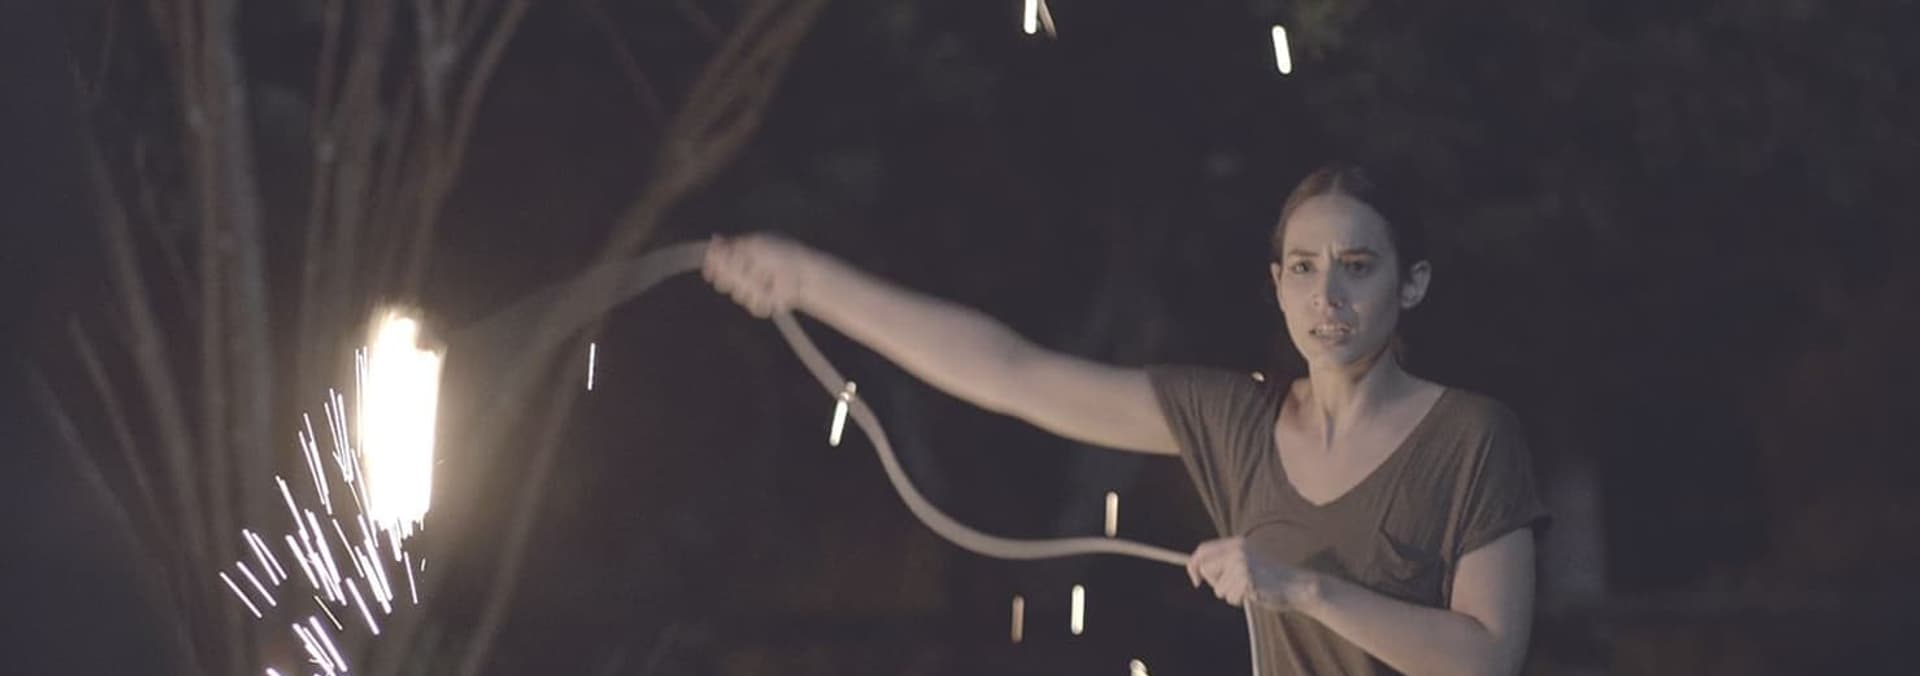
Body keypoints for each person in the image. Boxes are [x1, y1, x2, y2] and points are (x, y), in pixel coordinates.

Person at [700, 164, 1550, 676]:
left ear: (1412, 283)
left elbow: (1486, 658)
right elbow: (1013, 373)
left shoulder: (1471, 437)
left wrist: (1300, 588)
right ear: (1278, 284)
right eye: (1303, 267)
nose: (1326, 295)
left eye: (1357, 266)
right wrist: (808, 282)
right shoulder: (1236, 422)